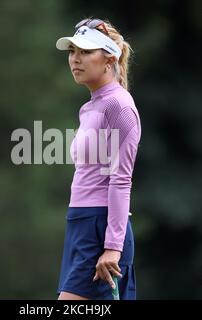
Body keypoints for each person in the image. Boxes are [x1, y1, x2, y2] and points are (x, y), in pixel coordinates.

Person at [55, 18, 141, 300]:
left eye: (85, 52)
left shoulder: (118, 105)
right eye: (72, 52)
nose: (75, 60)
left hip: (100, 228)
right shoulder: (90, 106)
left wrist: (113, 247)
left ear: (109, 59)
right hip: (80, 224)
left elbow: (121, 179)